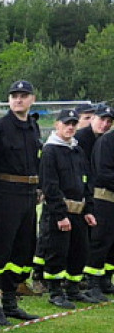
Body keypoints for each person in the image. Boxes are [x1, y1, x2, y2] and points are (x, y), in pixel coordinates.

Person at [0, 80, 43, 326]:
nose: (18, 99)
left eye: (23, 95)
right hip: (5, 194)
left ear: (32, 99)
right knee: (0, 251)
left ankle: (10, 300)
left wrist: (38, 187)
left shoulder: (33, 127)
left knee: (21, 251)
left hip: (29, 195)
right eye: (14, 96)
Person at [39, 108, 96, 308]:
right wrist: (59, 214)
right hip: (59, 212)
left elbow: (87, 180)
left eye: (73, 123)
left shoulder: (77, 150)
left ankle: (73, 289)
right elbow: (50, 185)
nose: (70, 127)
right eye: (66, 123)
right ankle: (55, 291)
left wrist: (88, 209)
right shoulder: (50, 150)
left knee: (79, 251)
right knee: (57, 252)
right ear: (57, 124)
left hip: (79, 211)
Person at [83, 104, 114, 298]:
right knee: (100, 240)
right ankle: (92, 282)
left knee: (113, 243)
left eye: (109, 121)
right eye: (103, 119)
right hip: (103, 197)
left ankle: (105, 279)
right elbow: (103, 173)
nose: (106, 124)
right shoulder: (107, 142)